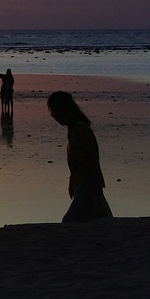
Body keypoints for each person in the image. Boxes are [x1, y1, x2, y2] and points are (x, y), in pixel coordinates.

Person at [46, 91, 112, 223]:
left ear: (69, 110)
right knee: (93, 219)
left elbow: (94, 158)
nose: (56, 118)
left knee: (70, 221)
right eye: (53, 115)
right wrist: (71, 181)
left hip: (89, 183)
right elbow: (76, 161)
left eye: (58, 114)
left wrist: (98, 184)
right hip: (81, 183)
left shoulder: (81, 130)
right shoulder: (72, 130)